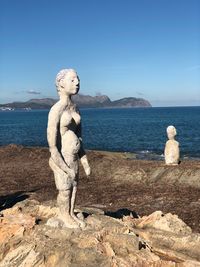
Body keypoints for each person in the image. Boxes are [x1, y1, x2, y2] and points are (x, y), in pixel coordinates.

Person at [47, 69, 91, 228]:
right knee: (65, 189)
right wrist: (64, 167)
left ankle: (71, 213)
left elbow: (80, 138)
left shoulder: (75, 108)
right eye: (72, 80)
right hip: (61, 158)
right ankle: (64, 215)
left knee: (74, 187)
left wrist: (85, 160)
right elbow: (52, 146)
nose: (77, 82)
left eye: (77, 79)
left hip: (73, 157)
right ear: (61, 83)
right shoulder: (56, 110)